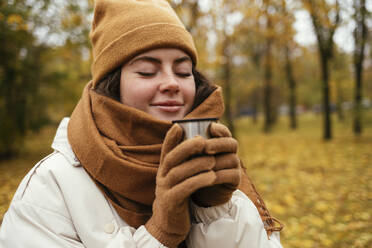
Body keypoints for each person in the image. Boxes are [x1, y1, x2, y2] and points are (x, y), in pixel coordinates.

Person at [0, 0, 283, 247]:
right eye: (147, 72)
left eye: (183, 71)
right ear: (112, 86)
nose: (172, 83)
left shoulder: (215, 160)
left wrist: (215, 212)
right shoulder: (51, 186)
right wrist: (159, 234)